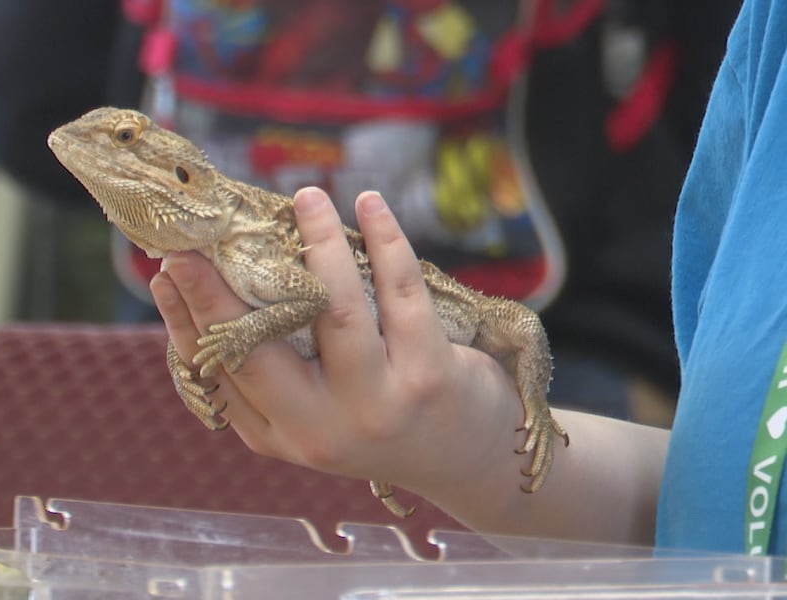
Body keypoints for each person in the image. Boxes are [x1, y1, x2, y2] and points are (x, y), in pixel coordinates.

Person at [150, 0, 787, 554]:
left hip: (573, 313)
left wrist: (521, 414)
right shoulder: (766, 36)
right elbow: (709, 508)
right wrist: (463, 444)